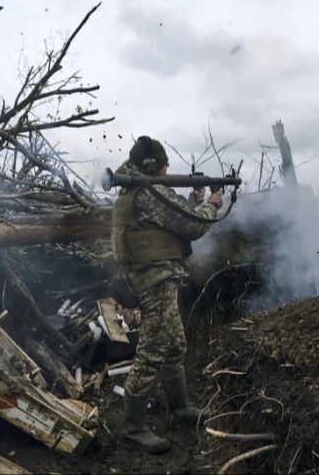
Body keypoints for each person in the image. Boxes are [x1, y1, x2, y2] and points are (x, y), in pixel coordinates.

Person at [110, 135, 223, 453]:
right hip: (155, 281)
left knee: (174, 345)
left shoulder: (134, 191)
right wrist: (211, 204)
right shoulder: (149, 192)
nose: (167, 169)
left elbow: (168, 223)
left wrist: (193, 200)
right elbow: (192, 226)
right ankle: (133, 428)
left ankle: (180, 408)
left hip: (154, 279)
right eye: (164, 165)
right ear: (152, 166)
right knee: (153, 352)